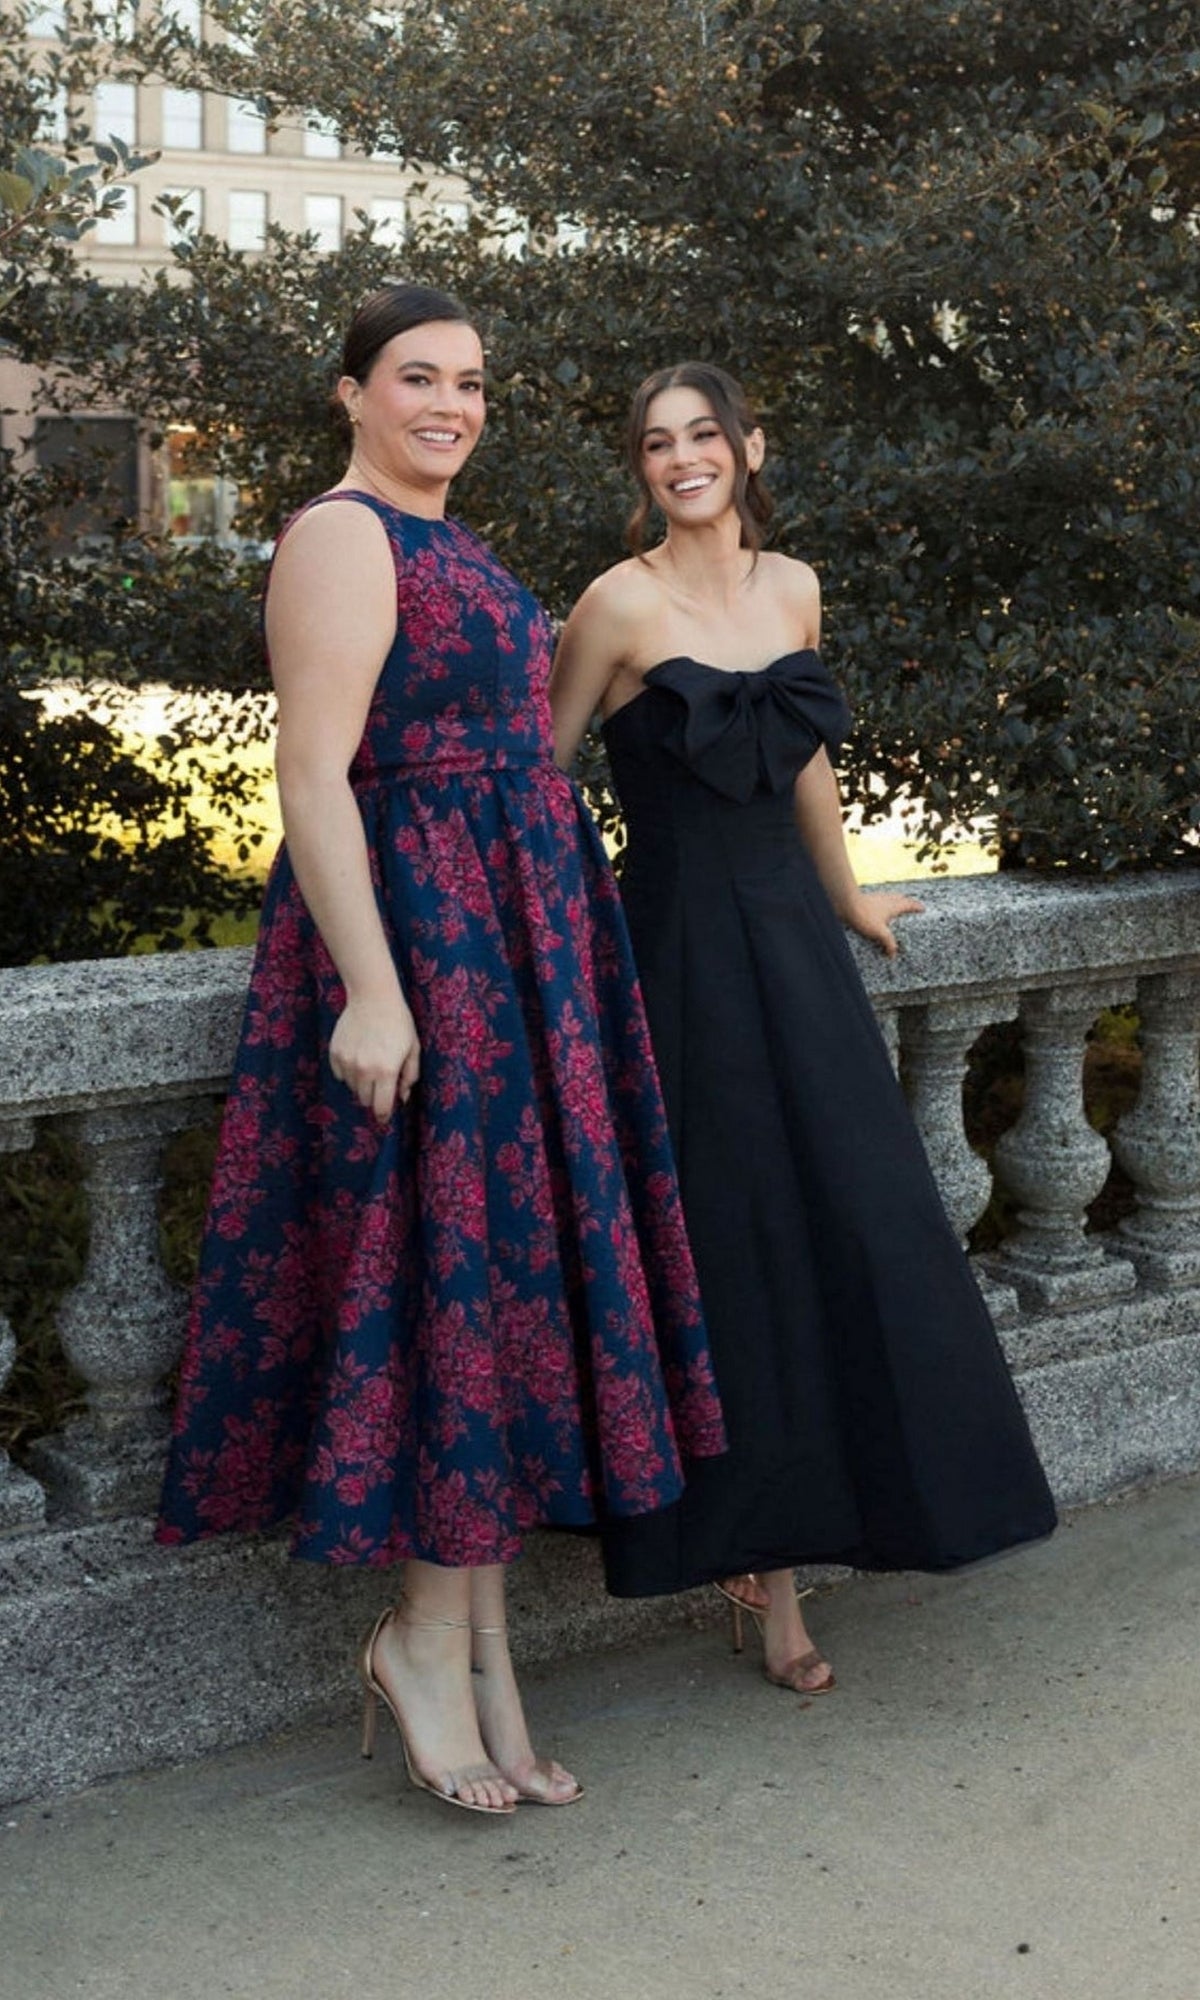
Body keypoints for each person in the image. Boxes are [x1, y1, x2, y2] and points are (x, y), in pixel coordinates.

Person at [157, 292, 727, 1814]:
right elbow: (313, 774)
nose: (452, 403)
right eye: (420, 377)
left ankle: (477, 1657)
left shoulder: (454, 540)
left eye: (472, 382)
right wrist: (373, 988)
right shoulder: (343, 534)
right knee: (440, 1275)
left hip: (514, 939)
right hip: (426, 942)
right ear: (351, 391)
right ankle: (422, 1645)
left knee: (486, 1283)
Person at [549, 360, 1057, 1696]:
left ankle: (837, 1539)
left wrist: (847, 896)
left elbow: (805, 757)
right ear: (641, 467)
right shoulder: (614, 605)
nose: (681, 459)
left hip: (793, 951)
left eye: (702, 434)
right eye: (656, 443)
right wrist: (536, 946)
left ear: (747, 445)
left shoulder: (793, 589)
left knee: (855, 1224)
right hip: (674, 966)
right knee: (729, 1251)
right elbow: (537, 784)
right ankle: (766, 1598)